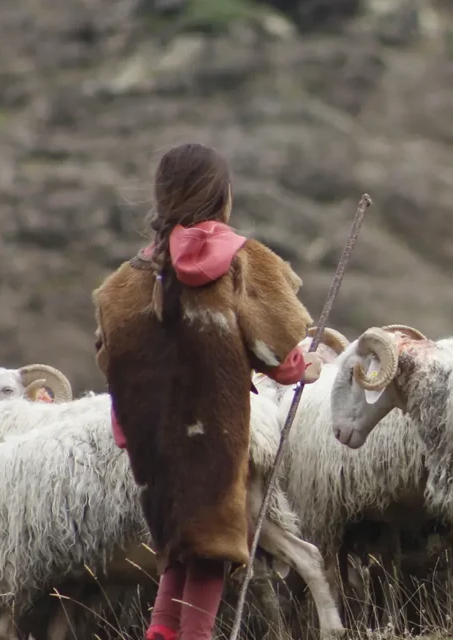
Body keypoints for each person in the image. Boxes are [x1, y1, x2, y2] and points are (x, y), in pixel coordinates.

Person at [92, 142, 321, 640]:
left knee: (177, 546)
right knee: (212, 549)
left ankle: (161, 633)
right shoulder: (239, 261)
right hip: (214, 439)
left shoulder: (125, 283)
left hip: (152, 443)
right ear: (222, 197)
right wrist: (306, 367)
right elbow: (274, 348)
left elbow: (114, 360)